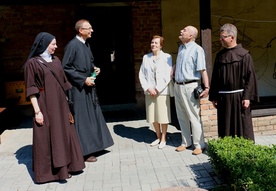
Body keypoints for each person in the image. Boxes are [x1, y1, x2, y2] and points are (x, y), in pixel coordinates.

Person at [23, 32, 85, 184]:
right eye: (53, 44)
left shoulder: (56, 60)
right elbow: (31, 90)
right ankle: (54, 173)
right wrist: (37, 112)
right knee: (50, 137)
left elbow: (63, 84)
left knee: (64, 135)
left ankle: (69, 167)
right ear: (44, 45)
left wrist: (68, 105)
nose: (56, 47)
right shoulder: (32, 64)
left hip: (60, 105)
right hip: (45, 105)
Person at [62, 19, 114, 162]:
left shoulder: (86, 44)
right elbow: (66, 67)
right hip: (78, 89)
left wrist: (94, 68)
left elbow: (88, 62)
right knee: (82, 120)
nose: (92, 30)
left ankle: (96, 146)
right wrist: (83, 79)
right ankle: (85, 152)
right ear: (81, 30)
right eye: (89, 28)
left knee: (92, 117)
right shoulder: (72, 45)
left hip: (88, 86)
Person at [209, 23, 259, 141]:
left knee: (242, 126)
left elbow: (250, 77)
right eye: (220, 37)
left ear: (232, 37)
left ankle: (245, 154)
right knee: (225, 126)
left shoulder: (245, 55)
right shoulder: (220, 56)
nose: (220, 39)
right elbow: (215, 77)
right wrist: (214, 95)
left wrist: (247, 97)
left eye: (223, 37)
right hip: (223, 98)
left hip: (239, 98)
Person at [172, 25, 209, 155]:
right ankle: (186, 142)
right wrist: (174, 68)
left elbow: (202, 70)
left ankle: (200, 144)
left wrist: (207, 87)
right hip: (178, 85)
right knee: (181, 116)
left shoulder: (197, 50)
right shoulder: (181, 48)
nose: (181, 31)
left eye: (184, 30)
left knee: (194, 116)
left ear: (191, 36)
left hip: (190, 86)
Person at [139, 35, 173, 149]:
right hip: (150, 91)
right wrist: (148, 88)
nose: (153, 45)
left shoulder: (167, 57)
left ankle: (164, 138)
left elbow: (168, 75)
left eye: (156, 43)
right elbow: (141, 75)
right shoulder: (146, 57)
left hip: (162, 91)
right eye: (152, 42)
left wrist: (158, 89)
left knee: (163, 115)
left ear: (161, 45)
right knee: (152, 116)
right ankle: (158, 137)